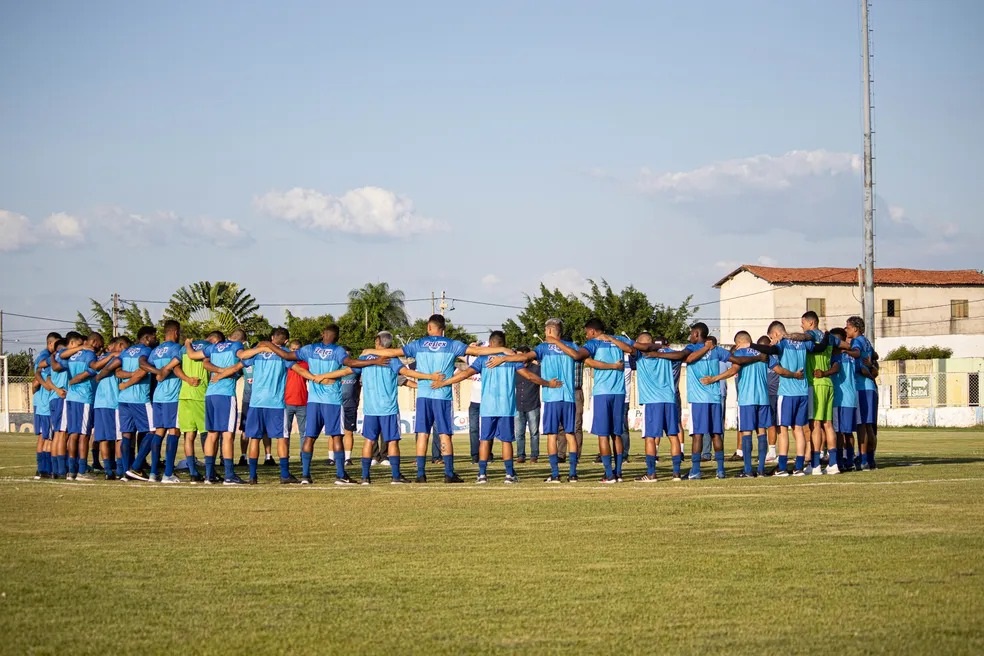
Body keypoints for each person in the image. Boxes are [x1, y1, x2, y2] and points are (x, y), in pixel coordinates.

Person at [361, 314, 514, 484]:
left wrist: (371, 351)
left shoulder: (419, 344)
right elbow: (477, 351)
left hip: (424, 395)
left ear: (429, 327)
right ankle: (448, 473)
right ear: (443, 329)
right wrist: (502, 350)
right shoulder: (452, 344)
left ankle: (420, 474)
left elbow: (393, 352)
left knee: (423, 434)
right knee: (444, 435)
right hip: (442, 395)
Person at [436, 331, 559, 484]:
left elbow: (465, 373)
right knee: (506, 441)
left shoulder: (483, 359)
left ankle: (482, 475)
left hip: (487, 406)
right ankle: (509, 475)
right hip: (506, 407)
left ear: (490, 343)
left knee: (485, 440)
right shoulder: (511, 360)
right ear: (504, 342)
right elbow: (529, 376)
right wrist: (548, 383)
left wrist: (445, 382)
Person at [290, 323, 386, 485]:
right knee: (336, 437)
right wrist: (375, 360)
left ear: (322, 334)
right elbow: (352, 364)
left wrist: (268, 346)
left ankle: (305, 476)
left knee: (309, 437)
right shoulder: (338, 351)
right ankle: (340, 475)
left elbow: (288, 357)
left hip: (313, 401)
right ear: (338, 337)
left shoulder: (310, 349)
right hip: (332, 401)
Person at [342, 331, 440, 484]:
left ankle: (365, 477)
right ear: (389, 344)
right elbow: (407, 374)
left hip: (370, 409)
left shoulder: (363, 358)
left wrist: (323, 376)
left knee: (369, 441)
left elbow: (348, 370)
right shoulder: (392, 360)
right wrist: (430, 378)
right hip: (389, 409)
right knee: (392, 441)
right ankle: (395, 476)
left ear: (377, 342)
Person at [544, 319, 631, 484]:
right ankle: (618, 472)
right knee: (616, 434)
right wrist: (613, 348)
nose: (585, 335)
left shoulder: (593, 344)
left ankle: (609, 474)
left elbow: (578, 356)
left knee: (603, 434)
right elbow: (631, 349)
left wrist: (554, 341)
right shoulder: (619, 340)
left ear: (592, 331)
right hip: (619, 392)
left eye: (586, 332)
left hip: (602, 393)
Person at [749, 322, 818, 477]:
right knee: (798, 429)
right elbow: (815, 344)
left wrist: (751, 344)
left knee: (782, 430)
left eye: (771, 337)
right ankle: (799, 467)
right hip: (803, 391)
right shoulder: (803, 343)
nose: (772, 340)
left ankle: (781, 467)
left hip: (787, 393)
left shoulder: (782, 344)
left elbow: (770, 349)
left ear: (775, 334)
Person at [700, 332, 771, 478]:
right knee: (762, 432)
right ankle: (762, 469)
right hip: (763, 398)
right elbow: (778, 370)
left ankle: (748, 470)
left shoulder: (740, 353)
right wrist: (794, 375)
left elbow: (733, 370)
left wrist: (714, 378)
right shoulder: (763, 353)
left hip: (747, 399)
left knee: (747, 433)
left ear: (739, 342)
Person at [240, 328, 301, 484]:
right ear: (286, 341)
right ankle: (285, 475)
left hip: (255, 402)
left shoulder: (257, 352)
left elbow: (243, 359)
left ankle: (253, 476)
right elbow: (295, 367)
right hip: (276, 403)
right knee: (282, 438)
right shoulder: (285, 353)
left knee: (254, 438)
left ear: (272, 337)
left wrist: (260, 347)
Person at [632, 332, 684, 482]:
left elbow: (629, 349)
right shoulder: (667, 352)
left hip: (652, 401)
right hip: (669, 398)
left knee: (650, 438)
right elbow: (681, 355)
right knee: (673, 436)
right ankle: (676, 473)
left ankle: (651, 473)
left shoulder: (641, 355)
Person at [55, 332, 101, 480]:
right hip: (84, 397)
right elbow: (93, 370)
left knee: (73, 434)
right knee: (84, 435)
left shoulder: (71, 356)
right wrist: (77, 378)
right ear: (94, 341)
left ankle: (71, 470)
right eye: (100, 342)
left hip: (71, 398)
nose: (101, 346)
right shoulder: (89, 355)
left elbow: (59, 358)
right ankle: (81, 470)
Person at [116, 326, 159, 480]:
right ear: (147, 338)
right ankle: (135, 467)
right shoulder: (146, 351)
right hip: (139, 399)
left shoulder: (126, 352)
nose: (156, 339)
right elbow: (142, 369)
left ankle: (125, 472)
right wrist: (158, 372)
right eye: (154, 336)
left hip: (123, 399)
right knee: (152, 431)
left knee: (127, 434)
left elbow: (117, 372)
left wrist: (126, 380)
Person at [843, 316, 878, 470]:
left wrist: (845, 349)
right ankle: (870, 460)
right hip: (870, 387)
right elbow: (874, 356)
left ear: (855, 329)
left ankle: (863, 460)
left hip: (862, 387)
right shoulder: (866, 341)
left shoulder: (857, 342)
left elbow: (857, 354)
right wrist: (871, 365)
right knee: (869, 426)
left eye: (848, 327)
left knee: (862, 426)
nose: (846, 329)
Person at [89, 337, 127, 479]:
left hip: (99, 403)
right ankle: (120, 469)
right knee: (119, 438)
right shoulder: (117, 358)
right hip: (113, 402)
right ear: (118, 345)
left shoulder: (100, 359)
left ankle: (108, 471)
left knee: (104, 438)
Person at [32, 332, 62, 479]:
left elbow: (36, 378)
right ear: (50, 344)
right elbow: (38, 379)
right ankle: (46, 469)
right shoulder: (47, 357)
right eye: (55, 345)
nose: (57, 349)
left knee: (43, 437)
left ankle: (41, 469)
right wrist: (47, 385)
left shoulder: (41, 357)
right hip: (45, 404)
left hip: (40, 403)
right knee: (49, 437)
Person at [828, 328, 858, 472]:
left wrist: (824, 373)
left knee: (838, 431)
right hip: (851, 398)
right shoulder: (852, 356)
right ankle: (850, 460)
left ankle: (839, 460)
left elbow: (836, 369)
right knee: (848, 432)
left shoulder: (837, 356)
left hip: (839, 398)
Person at [513, 346, 541, 464]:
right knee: (519, 433)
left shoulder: (536, 369)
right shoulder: (514, 369)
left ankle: (534, 455)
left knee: (534, 432)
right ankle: (520, 455)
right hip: (518, 404)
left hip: (533, 404)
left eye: (520, 355)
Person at [284, 339, 308, 455]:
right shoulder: (285, 363)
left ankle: (303, 456)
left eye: (297, 350)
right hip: (286, 402)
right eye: (293, 350)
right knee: (285, 433)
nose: (295, 352)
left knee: (304, 432)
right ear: (289, 349)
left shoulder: (306, 364)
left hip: (302, 402)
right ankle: (285, 456)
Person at [466, 343, 484, 464]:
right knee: (473, 429)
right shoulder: (472, 359)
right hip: (474, 402)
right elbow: (459, 353)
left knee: (486, 430)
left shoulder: (489, 360)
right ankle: (475, 455)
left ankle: (487, 453)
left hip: (486, 401)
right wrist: (468, 347)